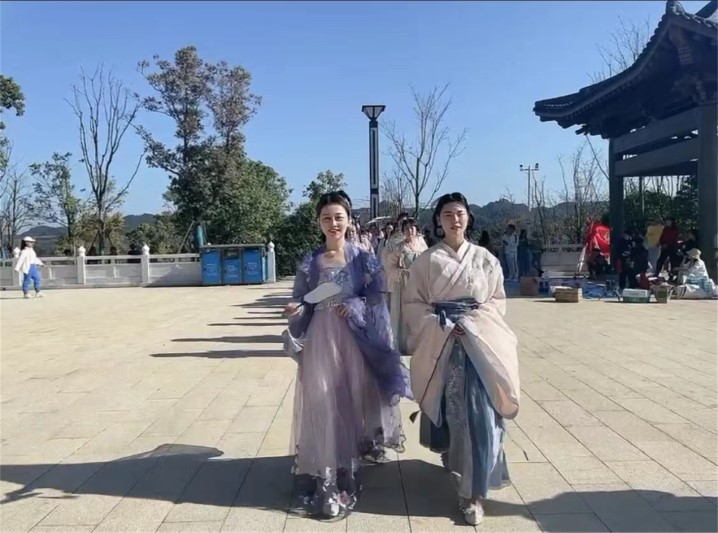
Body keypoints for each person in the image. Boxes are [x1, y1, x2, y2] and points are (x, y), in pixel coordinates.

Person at [282, 190, 410, 520]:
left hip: (353, 340)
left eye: (338, 217)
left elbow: (376, 301)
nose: (333, 223)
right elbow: (304, 299)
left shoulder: (363, 259)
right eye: (326, 218)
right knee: (322, 403)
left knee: (349, 404)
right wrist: (296, 309)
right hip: (321, 339)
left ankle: (346, 468)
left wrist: (354, 305)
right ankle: (325, 480)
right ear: (319, 223)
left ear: (349, 220)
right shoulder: (311, 262)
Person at [403, 192, 519, 526]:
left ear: (469, 217)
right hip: (443, 342)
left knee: (481, 414)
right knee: (451, 409)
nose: (455, 219)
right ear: (438, 221)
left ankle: (472, 492)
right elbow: (413, 305)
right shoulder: (426, 261)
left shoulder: (485, 258)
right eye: (447, 214)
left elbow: (496, 300)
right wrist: (440, 325)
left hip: (479, 342)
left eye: (460, 213)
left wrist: (472, 321)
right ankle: (457, 465)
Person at [385, 218, 428, 353]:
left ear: (416, 229)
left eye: (412, 228)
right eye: (407, 228)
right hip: (403, 285)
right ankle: (404, 344)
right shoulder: (399, 247)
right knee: (403, 314)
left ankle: (418, 343)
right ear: (403, 231)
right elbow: (389, 266)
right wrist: (400, 272)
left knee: (419, 313)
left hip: (419, 285)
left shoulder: (422, 245)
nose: (410, 231)